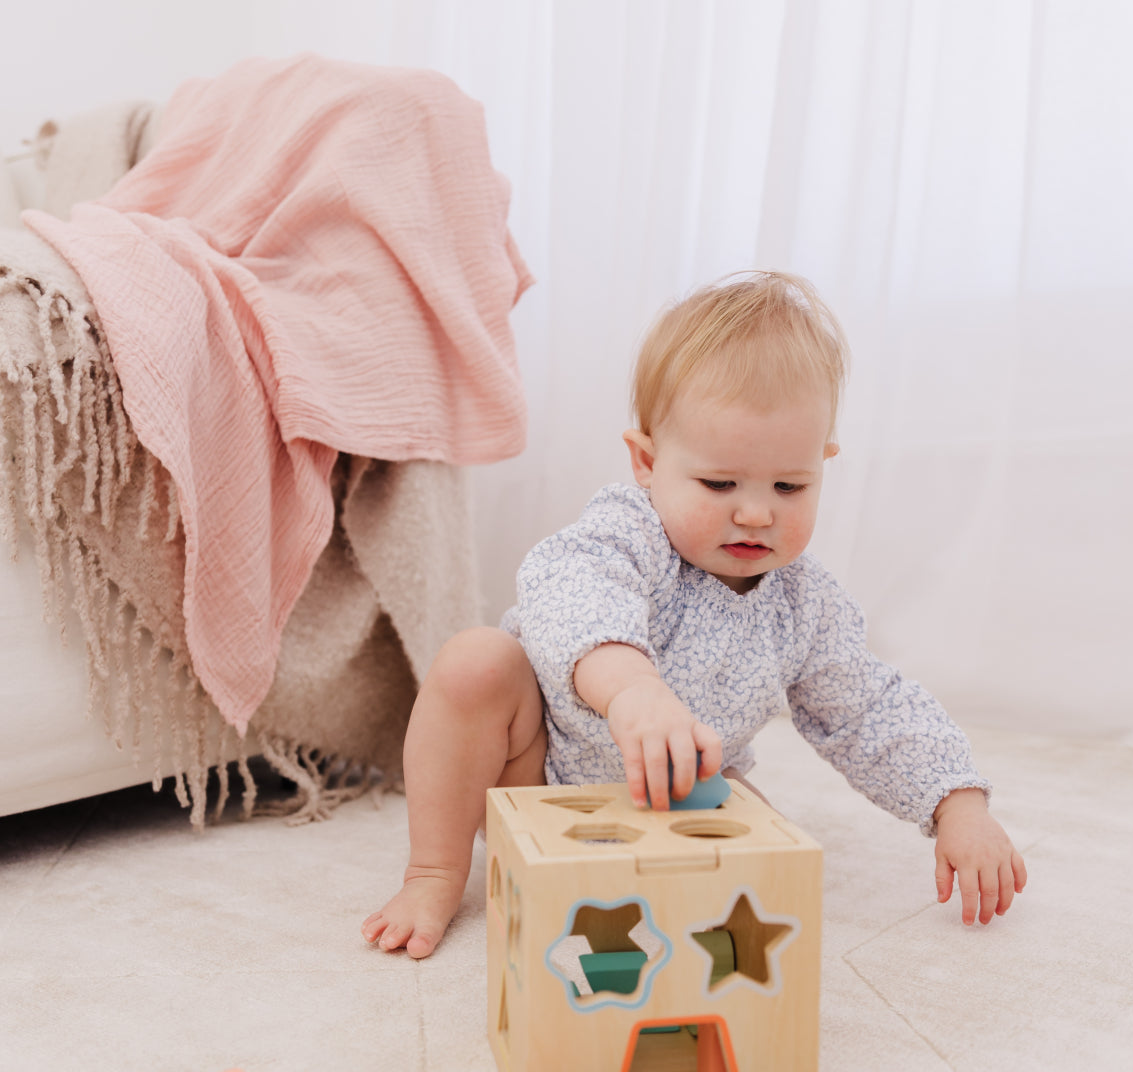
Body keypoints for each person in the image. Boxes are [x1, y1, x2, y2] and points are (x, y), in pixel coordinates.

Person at [362, 270, 1027, 959]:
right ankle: (433, 874)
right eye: (718, 483)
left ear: (822, 467)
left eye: (789, 486)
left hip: (676, 795)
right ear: (647, 461)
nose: (756, 511)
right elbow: (567, 590)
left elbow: (866, 708)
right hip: (533, 780)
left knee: (772, 870)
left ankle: (658, 906)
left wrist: (957, 802)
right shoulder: (629, 531)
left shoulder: (805, 602)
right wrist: (632, 691)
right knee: (476, 661)